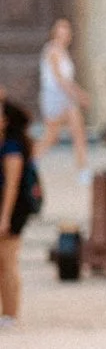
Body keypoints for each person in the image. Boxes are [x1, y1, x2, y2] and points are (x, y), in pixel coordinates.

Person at [36, 18, 92, 182]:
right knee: (52, 135)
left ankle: (82, 167)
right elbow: (60, 79)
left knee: (77, 131)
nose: (64, 35)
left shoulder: (63, 51)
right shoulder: (52, 50)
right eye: (61, 31)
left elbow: (66, 78)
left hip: (64, 97)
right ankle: (31, 160)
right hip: (55, 96)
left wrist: (77, 93)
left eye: (66, 32)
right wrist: (79, 95)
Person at [0, 92, 38, 332]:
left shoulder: (13, 148)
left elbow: (12, 186)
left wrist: (4, 218)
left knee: (7, 261)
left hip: (11, 210)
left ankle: (10, 314)